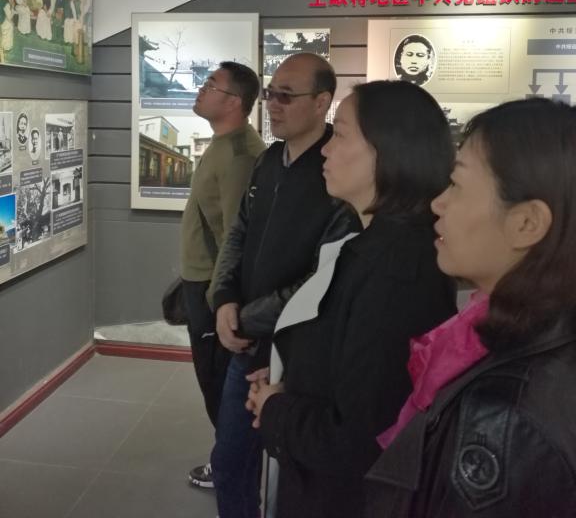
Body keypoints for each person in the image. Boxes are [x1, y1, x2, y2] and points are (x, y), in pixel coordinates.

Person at [247, 81, 457, 518]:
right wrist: (293, 372)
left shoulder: (397, 270)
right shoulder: (376, 247)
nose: (325, 149)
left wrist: (276, 408)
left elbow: (360, 437)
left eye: (340, 134)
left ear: (390, 151)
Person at [365, 97, 576, 518]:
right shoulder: (526, 336)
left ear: (526, 223)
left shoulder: (506, 418)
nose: (438, 203)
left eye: (457, 185)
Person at [210, 53, 355, 518]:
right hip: (246, 346)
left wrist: (246, 318)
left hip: (300, 354)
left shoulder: (338, 171)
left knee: (293, 479)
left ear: (322, 102)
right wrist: (224, 298)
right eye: (271, 94)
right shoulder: (269, 159)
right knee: (230, 461)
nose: (273, 104)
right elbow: (239, 232)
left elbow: (323, 277)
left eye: (286, 96)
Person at [181, 61, 265, 490]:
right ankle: (231, 464)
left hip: (213, 291)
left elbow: (238, 237)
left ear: (233, 101)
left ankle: (232, 470)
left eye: (211, 85)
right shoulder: (224, 145)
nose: (202, 89)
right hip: (203, 283)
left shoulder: (239, 156)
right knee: (213, 383)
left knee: (220, 388)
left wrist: (221, 300)